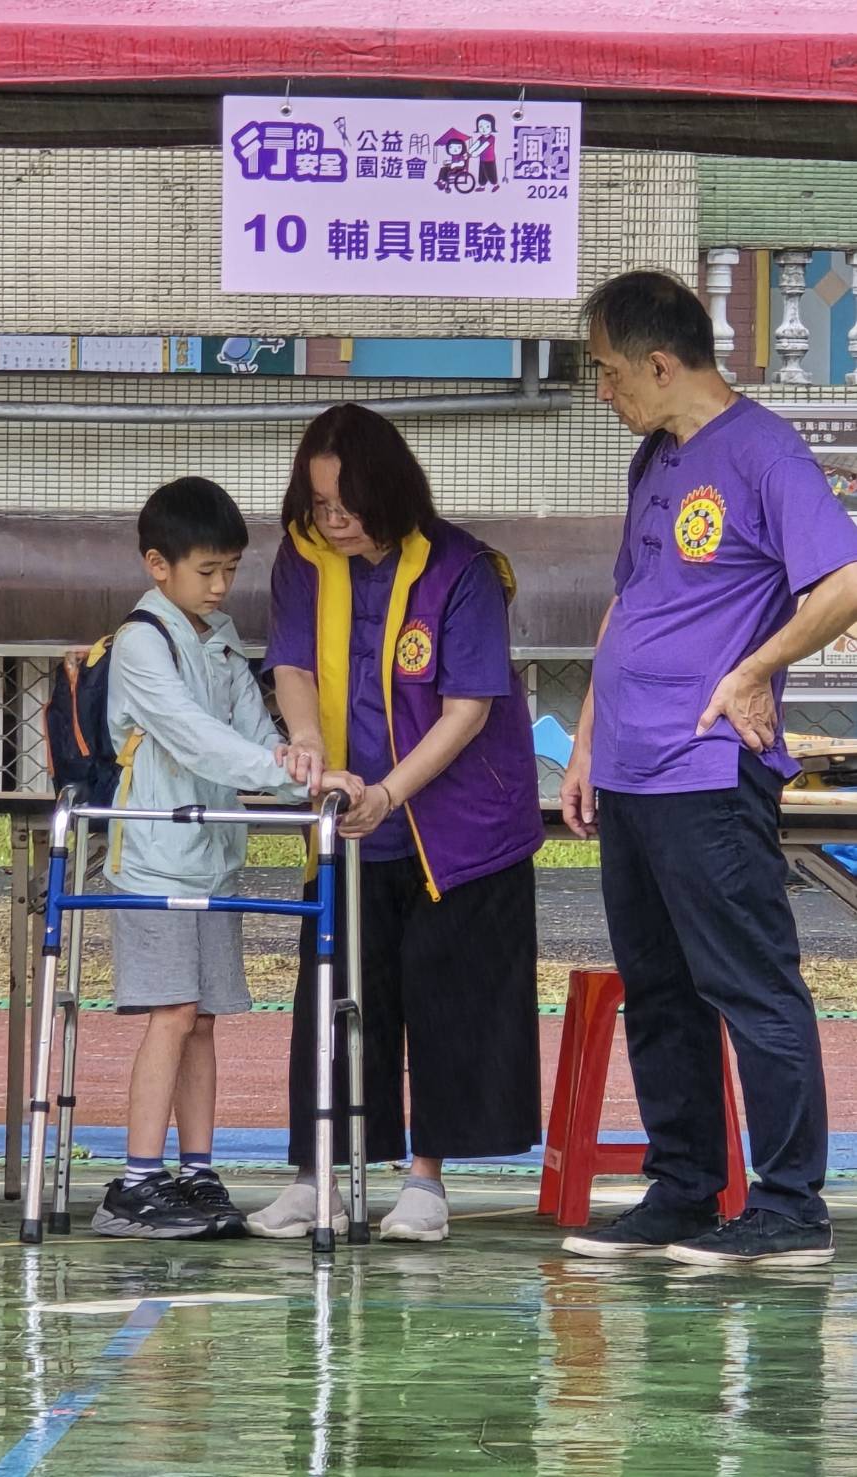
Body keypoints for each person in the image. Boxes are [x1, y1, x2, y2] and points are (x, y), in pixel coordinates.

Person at [560, 271, 857, 1268]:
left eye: (606, 371)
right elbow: (630, 601)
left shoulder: (764, 451)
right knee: (659, 987)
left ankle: (786, 1207)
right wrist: (589, 738)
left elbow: (844, 578)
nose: (602, 392)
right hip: (633, 767)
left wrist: (755, 670)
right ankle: (683, 1189)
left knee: (748, 984)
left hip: (706, 765)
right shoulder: (652, 458)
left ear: (657, 359)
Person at [247, 405, 544, 1243]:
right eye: (318, 505)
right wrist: (308, 745)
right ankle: (320, 1175)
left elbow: (467, 707)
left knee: (444, 997)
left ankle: (426, 1181)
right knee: (337, 993)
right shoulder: (303, 556)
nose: (333, 521)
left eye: (347, 506)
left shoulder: (461, 569)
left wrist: (391, 791)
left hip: (454, 823)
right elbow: (292, 664)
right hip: (349, 819)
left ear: (391, 493)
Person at [91, 477, 359, 1240]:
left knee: (202, 1019)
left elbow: (251, 723)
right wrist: (290, 772)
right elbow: (194, 737)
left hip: (211, 858)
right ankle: (136, 1181)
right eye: (206, 571)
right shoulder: (143, 642)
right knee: (172, 1014)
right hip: (154, 862)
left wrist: (305, 766)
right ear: (157, 565)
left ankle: (198, 1170)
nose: (220, 585)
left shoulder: (218, 636)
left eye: (229, 571)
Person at [469, 114, 499, 192]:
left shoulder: (491, 138)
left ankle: (495, 185)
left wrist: (475, 153)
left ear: (492, 126)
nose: (483, 129)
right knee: (482, 173)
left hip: (489, 159)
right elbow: (476, 145)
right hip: (482, 159)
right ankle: (482, 186)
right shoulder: (481, 138)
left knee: (490, 173)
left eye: (487, 126)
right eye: (481, 127)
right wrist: (469, 151)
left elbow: (484, 147)